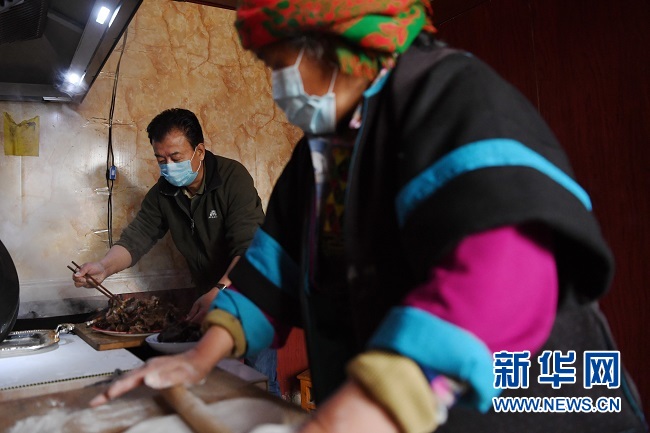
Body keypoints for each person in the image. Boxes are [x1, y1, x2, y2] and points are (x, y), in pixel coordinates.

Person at [89, 2, 647, 432]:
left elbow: (503, 270)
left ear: (338, 45)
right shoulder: (319, 154)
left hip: (527, 402)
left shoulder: (451, 94)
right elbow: (272, 270)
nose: (279, 86)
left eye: (283, 66)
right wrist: (199, 359)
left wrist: (369, 406)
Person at [73, 108, 279, 396]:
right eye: (161, 160)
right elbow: (136, 238)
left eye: (175, 157)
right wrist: (103, 267)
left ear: (199, 151)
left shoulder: (233, 178)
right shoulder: (163, 193)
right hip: (211, 294)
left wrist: (220, 291)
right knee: (214, 383)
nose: (168, 166)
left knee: (259, 383)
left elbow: (249, 248)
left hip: (251, 291)